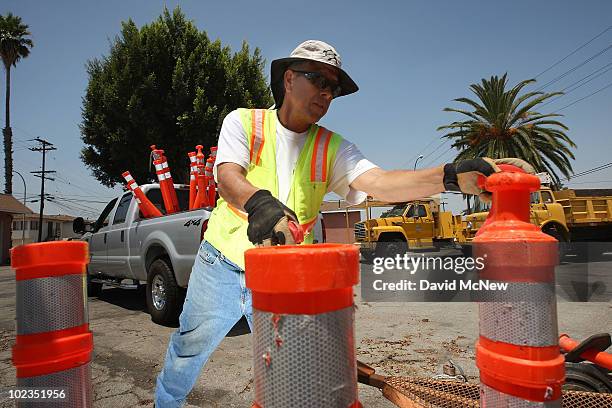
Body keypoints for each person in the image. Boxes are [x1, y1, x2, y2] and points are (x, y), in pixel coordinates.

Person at [154, 39, 533, 407]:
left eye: (333, 88)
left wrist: (450, 175)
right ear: (288, 79)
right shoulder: (245, 123)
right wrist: (260, 204)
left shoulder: (333, 148)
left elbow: (381, 182)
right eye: (318, 80)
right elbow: (228, 177)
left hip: (284, 277)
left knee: (291, 366)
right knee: (189, 348)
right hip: (220, 263)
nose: (327, 93)